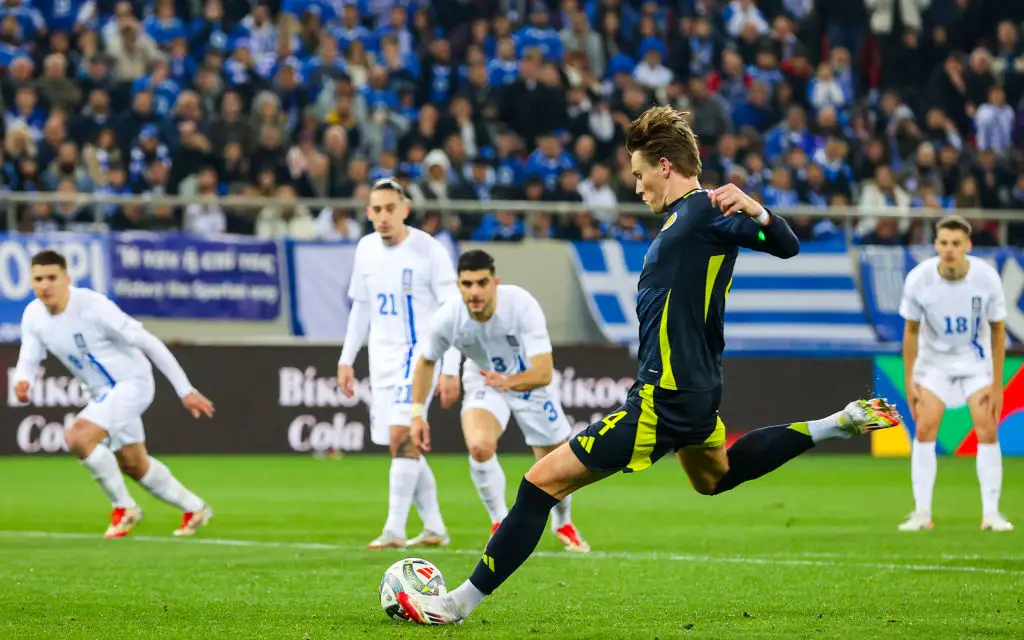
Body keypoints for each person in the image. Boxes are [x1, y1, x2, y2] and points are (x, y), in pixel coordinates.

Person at [396, 106, 902, 625]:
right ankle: (836, 424)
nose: (637, 187)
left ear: (665, 165)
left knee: (537, 485)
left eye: (639, 175)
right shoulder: (684, 221)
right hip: (696, 391)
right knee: (715, 477)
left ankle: (454, 605)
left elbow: (788, 246)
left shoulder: (705, 210)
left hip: (664, 397)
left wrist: (757, 209)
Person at [13, 250, 215, 539]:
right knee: (134, 464)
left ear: (67, 279)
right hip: (101, 392)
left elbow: (149, 342)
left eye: (52, 278)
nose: (45, 285)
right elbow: (30, 355)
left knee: (78, 437)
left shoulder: (93, 306)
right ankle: (195, 508)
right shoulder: (33, 315)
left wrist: (186, 390)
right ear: (31, 283)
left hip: (132, 383)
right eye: (38, 279)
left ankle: (125, 508)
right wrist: (23, 380)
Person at [409, 249, 590, 552]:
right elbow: (427, 362)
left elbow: (544, 371)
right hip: (484, 380)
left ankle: (563, 522)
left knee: (555, 464)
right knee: (479, 447)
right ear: (459, 286)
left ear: (495, 283)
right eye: (467, 284)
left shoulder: (521, 305)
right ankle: (499, 523)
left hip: (527, 380)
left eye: (482, 283)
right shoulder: (448, 318)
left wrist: (510, 382)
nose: (475, 292)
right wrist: (417, 413)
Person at [336, 177, 463, 549]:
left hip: (420, 355)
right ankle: (435, 526)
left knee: (401, 436)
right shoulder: (365, 249)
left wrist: (451, 368)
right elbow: (361, 308)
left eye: (391, 209)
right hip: (382, 358)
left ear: (405, 210)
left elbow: (451, 310)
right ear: (368, 213)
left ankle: (394, 528)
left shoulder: (429, 250)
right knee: (397, 444)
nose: (383, 216)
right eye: (376, 210)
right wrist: (347, 359)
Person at [897, 215, 1012, 532]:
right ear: (936, 245)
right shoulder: (919, 279)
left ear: (968, 246)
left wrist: (998, 383)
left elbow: (999, 331)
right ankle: (922, 514)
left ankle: (991, 514)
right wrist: (910, 380)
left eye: (956, 244)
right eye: (944, 243)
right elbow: (910, 331)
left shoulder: (986, 278)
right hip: (933, 364)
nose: (949, 249)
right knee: (924, 429)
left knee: (987, 427)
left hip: (975, 362)